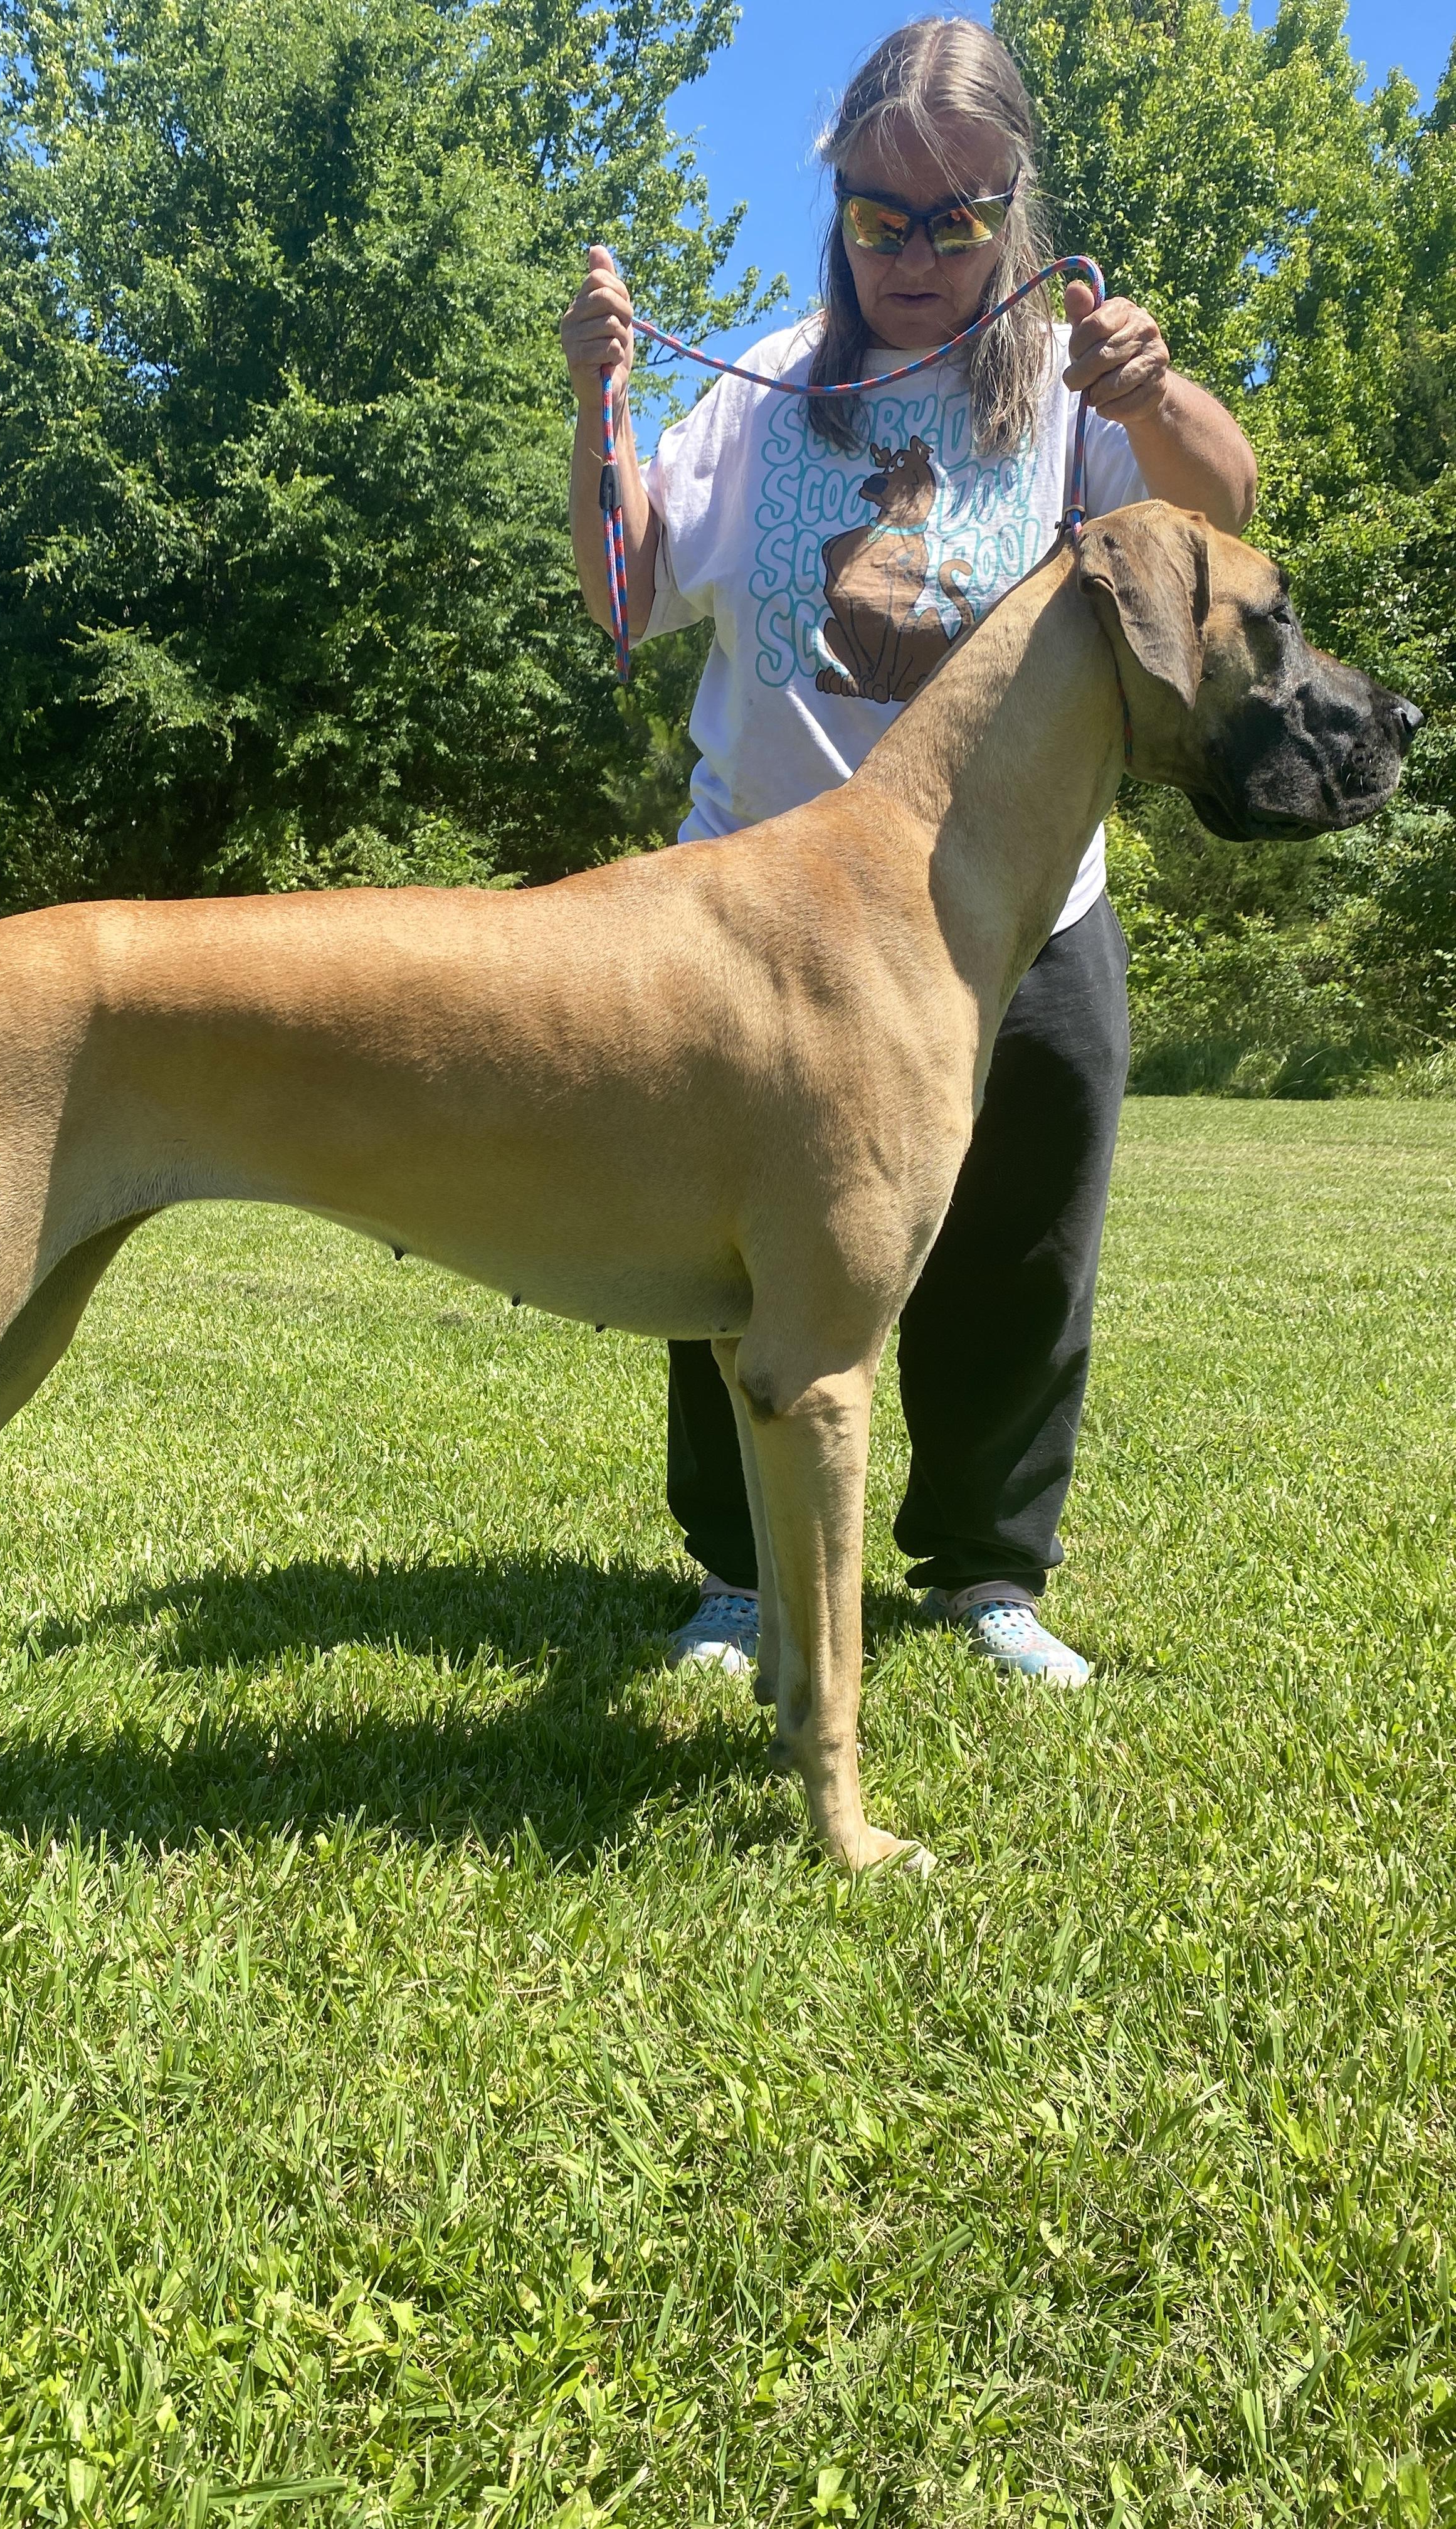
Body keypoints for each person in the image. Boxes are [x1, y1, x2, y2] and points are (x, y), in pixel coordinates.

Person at [559, 15, 1256, 1685]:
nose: (922, 255)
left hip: (1020, 914)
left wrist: (1155, 393)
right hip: (766, 923)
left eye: (961, 218)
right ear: (839, 207)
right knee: (738, 1252)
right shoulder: (763, 392)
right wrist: (603, 401)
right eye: (884, 216)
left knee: (1018, 1242)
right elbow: (625, 592)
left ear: (1016, 209)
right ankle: (741, 1578)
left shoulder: (1074, 390)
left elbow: (1220, 515)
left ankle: (987, 1574)